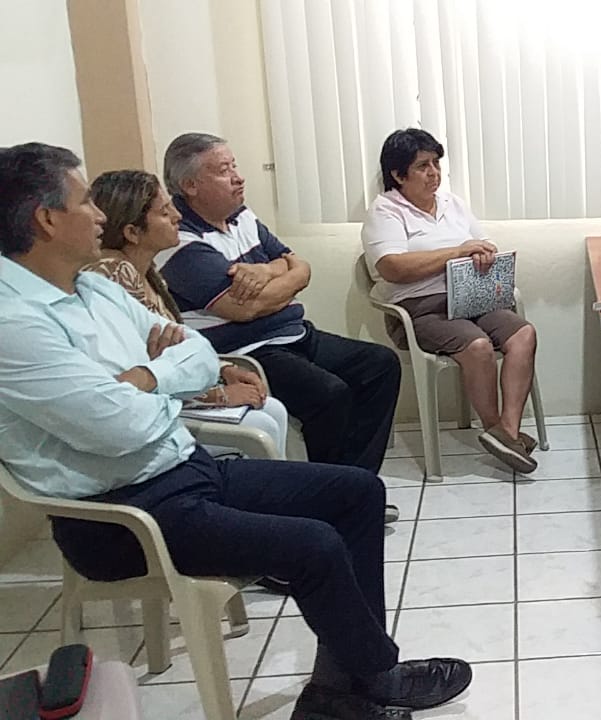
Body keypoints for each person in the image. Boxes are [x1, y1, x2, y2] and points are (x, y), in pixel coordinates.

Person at [0, 143, 473, 719]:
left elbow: (199, 353)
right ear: (46, 220)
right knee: (316, 545)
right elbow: (118, 428)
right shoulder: (15, 324)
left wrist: (147, 378)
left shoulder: (92, 287)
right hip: (121, 515)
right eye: (84, 202)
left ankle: (339, 691)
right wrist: (162, 382)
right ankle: (372, 677)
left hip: (183, 470)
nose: (100, 214)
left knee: (358, 493)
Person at [156, 132, 402, 479]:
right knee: (329, 395)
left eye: (235, 166)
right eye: (224, 170)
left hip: (294, 333)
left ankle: (357, 481)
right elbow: (244, 309)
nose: (238, 177)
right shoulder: (180, 241)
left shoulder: (241, 215)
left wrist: (266, 271)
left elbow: (302, 268)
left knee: (380, 365)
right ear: (190, 185)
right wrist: (284, 274)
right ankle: (332, 489)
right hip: (247, 350)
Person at [360, 128, 540, 473]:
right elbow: (392, 267)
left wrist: (483, 253)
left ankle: (507, 430)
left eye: (436, 163)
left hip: (472, 297)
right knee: (478, 346)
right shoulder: (385, 211)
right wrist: (456, 252)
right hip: (419, 309)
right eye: (422, 166)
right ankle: (497, 430)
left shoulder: (452, 203)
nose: (434, 173)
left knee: (523, 334)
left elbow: (483, 242)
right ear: (398, 175)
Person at [84, 169, 289, 459]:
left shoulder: (148, 271)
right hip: (150, 407)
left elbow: (178, 346)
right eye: (165, 212)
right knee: (261, 424)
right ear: (132, 232)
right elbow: (144, 370)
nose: (177, 217)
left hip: (177, 387)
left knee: (272, 410)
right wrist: (218, 396)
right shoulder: (115, 272)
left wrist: (223, 370)